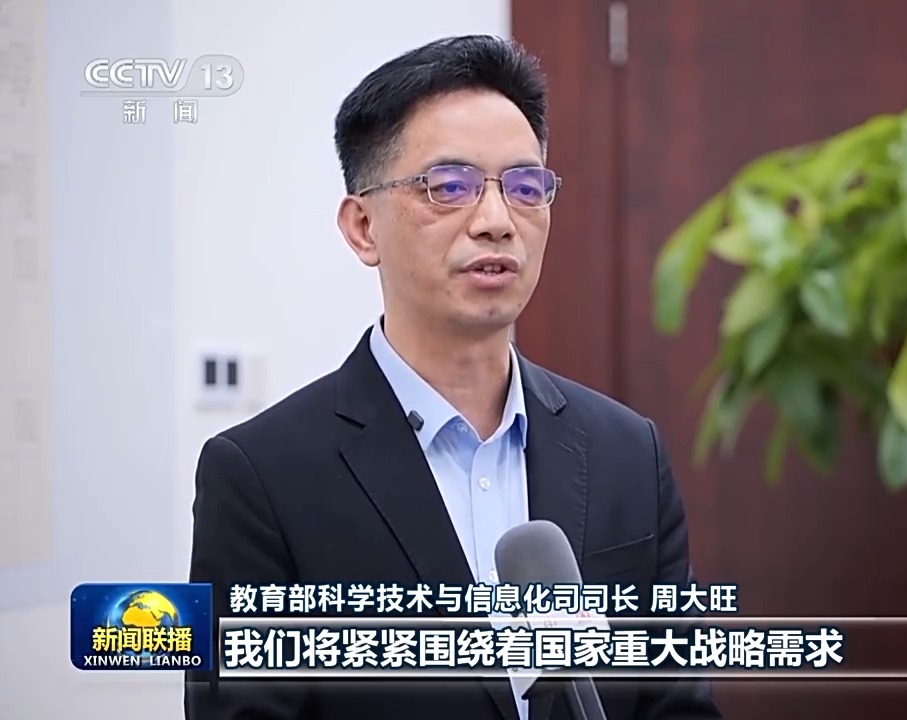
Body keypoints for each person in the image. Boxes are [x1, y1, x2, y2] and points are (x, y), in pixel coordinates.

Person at [183, 35, 720, 720]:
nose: (497, 222)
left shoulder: (627, 454)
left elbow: (678, 704)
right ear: (363, 227)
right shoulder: (262, 477)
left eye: (525, 187)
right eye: (450, 187)